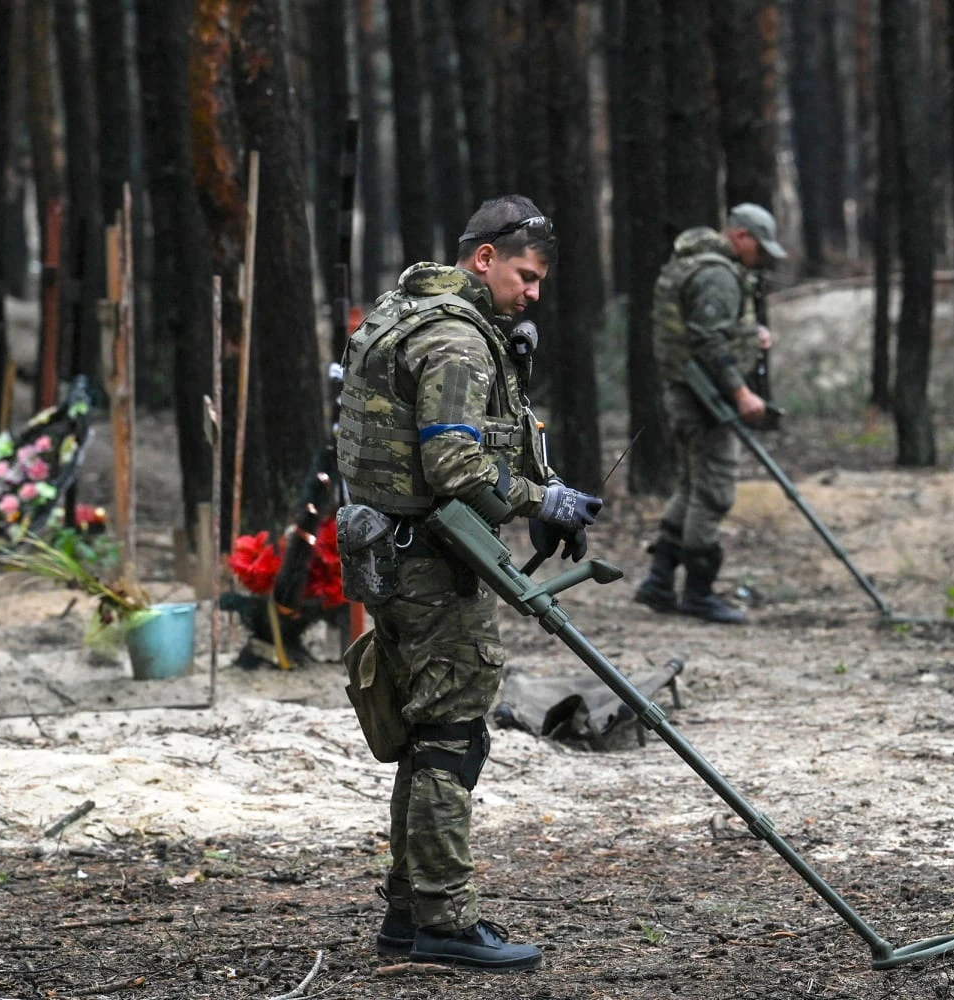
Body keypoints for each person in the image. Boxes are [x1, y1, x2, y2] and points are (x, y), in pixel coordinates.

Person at [335, 195, 602, 971]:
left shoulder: (411, 305)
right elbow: (453, 466)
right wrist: (538, 498)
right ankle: (445, 923)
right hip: (426, 563)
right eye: (524, 276)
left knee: (427, 736)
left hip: (390, 550)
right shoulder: (456, 340)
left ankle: (406, 914)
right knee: (452, 737)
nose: (533, 294)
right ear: (483, 259)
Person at [633, 203, 786, 625]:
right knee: (714, 492)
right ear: (740, 236)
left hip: (686, 396)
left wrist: (750, 335)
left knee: (690, 486)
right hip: (704, 400)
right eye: (760, 247)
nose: (762, 257)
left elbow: (705, 327)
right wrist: (741, 394)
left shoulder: (695, 264)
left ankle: (659, 581)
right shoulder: (717, 273)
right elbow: (708, 342)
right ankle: (698, 591)